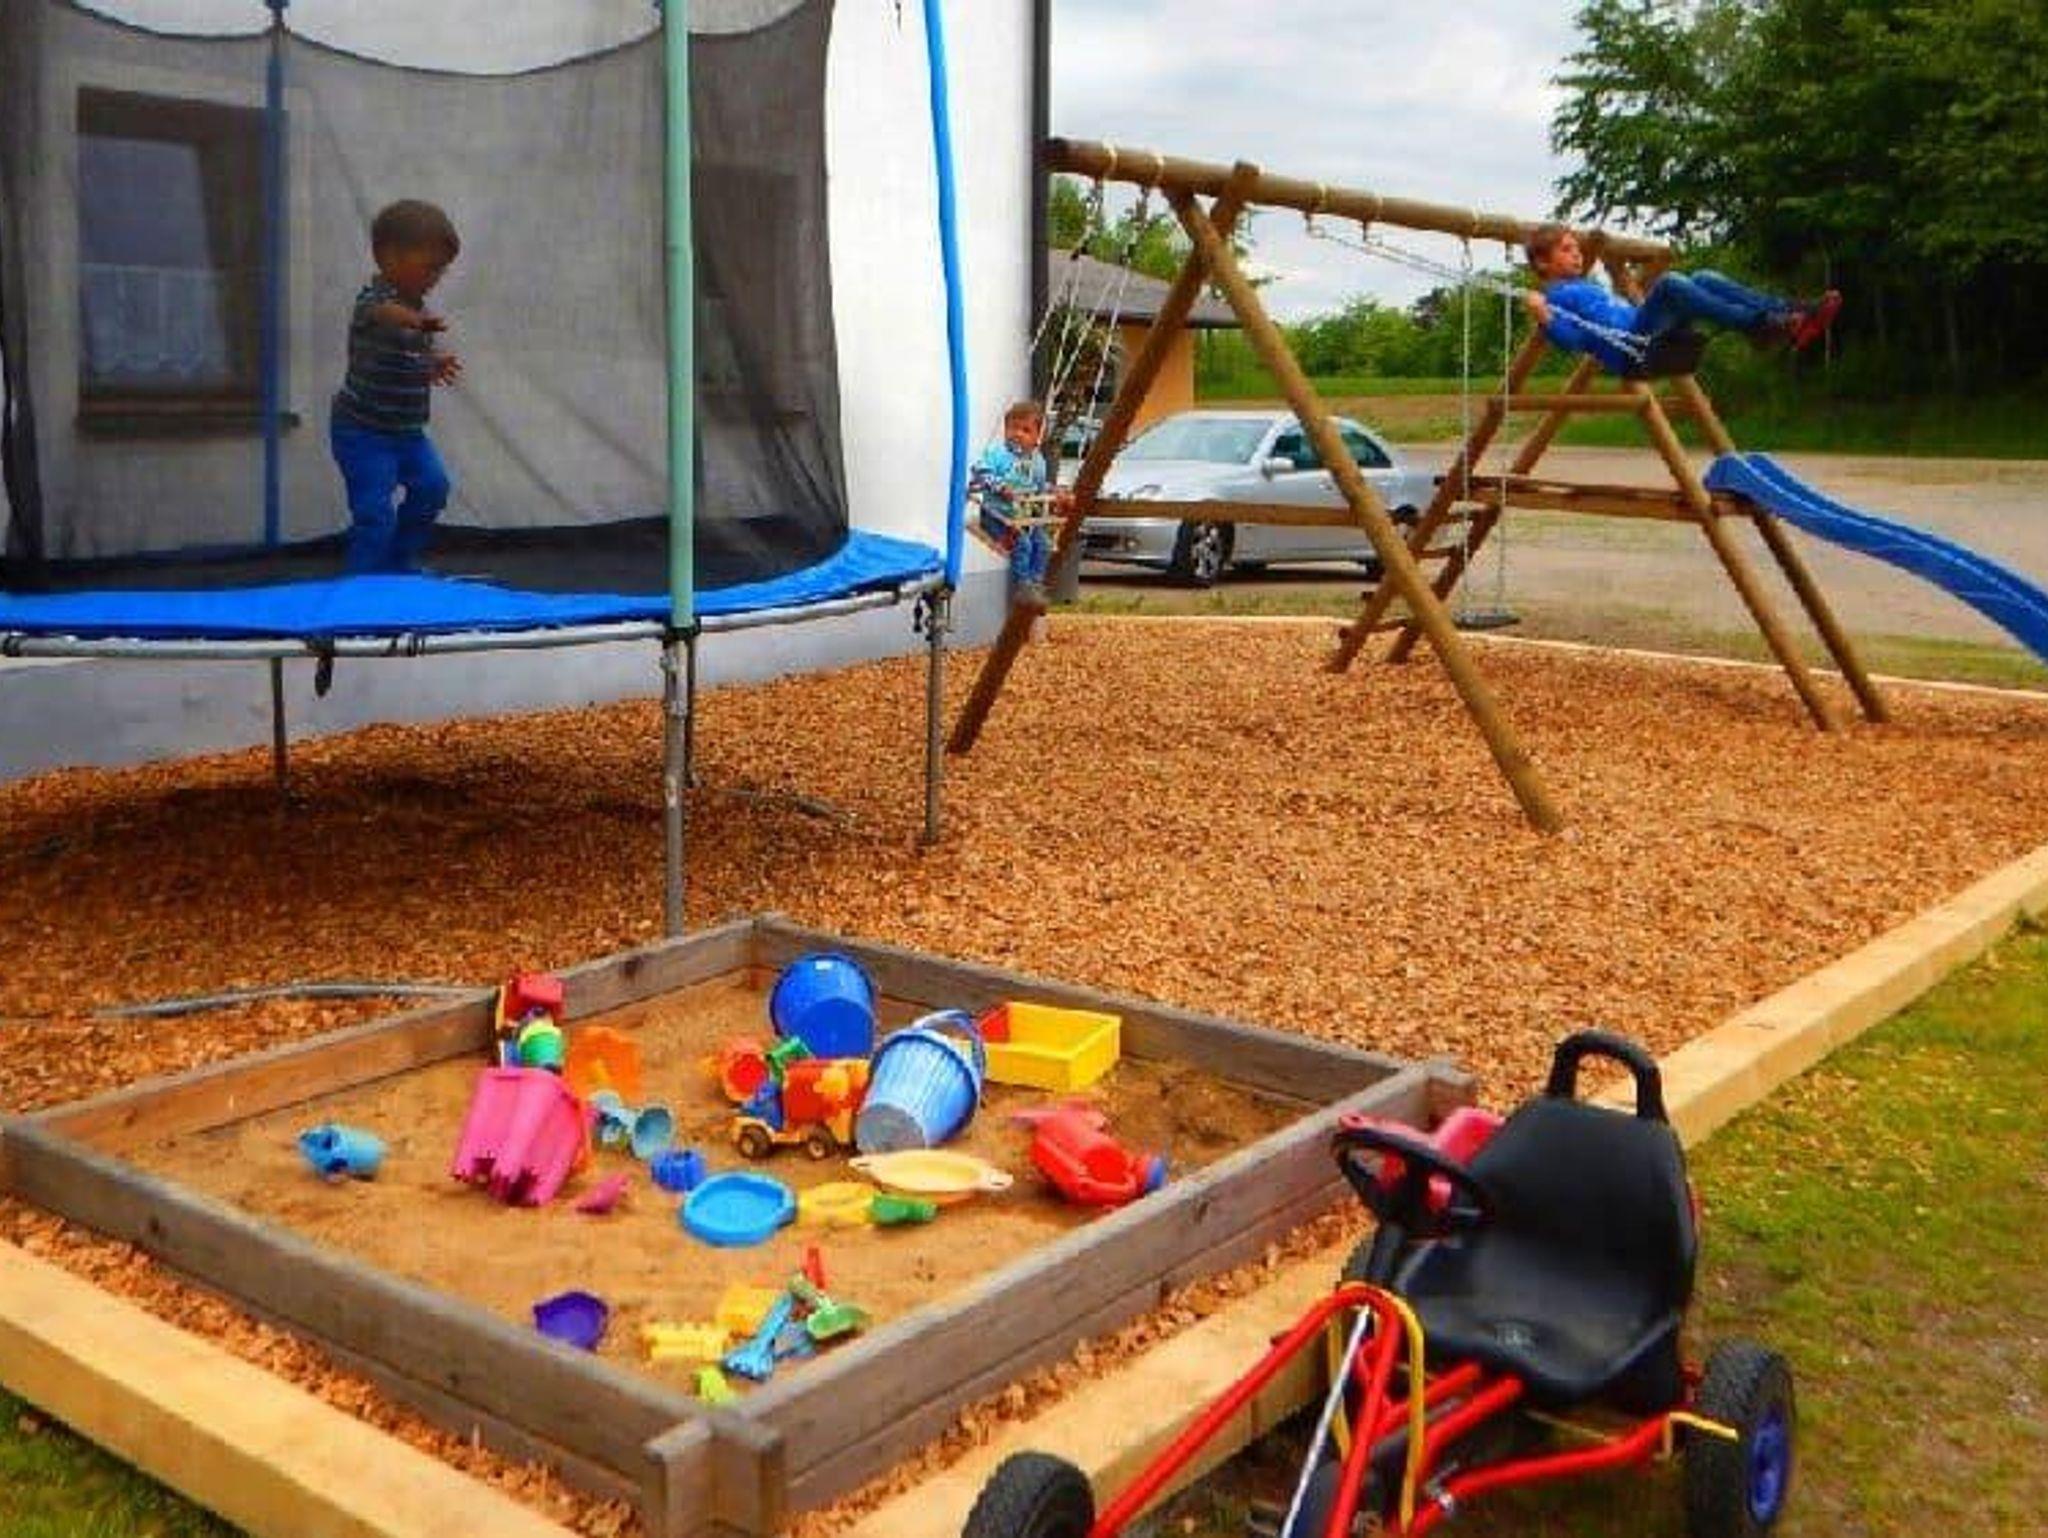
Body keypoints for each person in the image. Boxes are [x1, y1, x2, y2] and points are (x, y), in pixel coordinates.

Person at [331, 199, 464, 574]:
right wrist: (415, 322)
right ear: (388, 258)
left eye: (442, 270)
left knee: (433, 488)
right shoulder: (373, 300)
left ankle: (400, 562)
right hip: (362, 431)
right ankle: (362, 583)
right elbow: (384, 315)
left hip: (407, 433)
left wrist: (431, 364)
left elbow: (408, 356)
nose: (436, 277)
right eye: (430, 267)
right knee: (374, 513)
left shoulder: (418, 307)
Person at [1522, 224, 1841, 376]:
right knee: (1670, 282)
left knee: (1705, 277)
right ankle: (1762, 325)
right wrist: (1542, 314)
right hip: (1634, 348)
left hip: (1646, 330)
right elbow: (1572, 342)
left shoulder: (1585, 286)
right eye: (1566, 250)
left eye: (1577, 248)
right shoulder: (1555, 297)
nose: (1577, 254)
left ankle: (1789, 313)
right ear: (1542, 263)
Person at [969, 400, 1070, 604]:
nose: (1017, 434)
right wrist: (1000, 487)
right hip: (998, 517)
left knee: (1043, 544)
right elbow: (979, 472)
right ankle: (1023, 585)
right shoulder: (998, 454)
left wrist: (1055, 491)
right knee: (1022, 544)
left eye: (1026, 430)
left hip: (1026, 518)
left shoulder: (1038, 461)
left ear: (1037, 437)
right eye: (1012, 428)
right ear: (1005, 429)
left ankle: (1035, 584)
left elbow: (1039, 487)